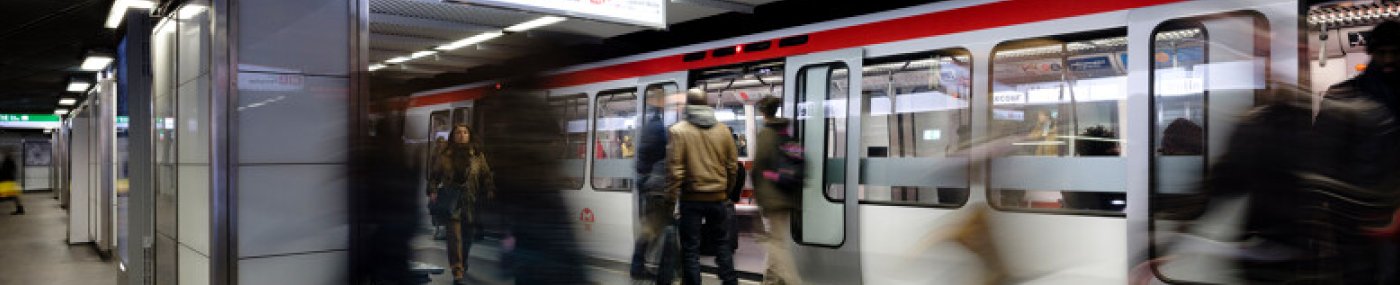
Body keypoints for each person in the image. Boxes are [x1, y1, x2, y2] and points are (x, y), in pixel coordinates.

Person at [667, 88, 740, 285]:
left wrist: (670, 201)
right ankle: (730, 281)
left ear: (688, 105)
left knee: (691, 249)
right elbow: (733, 167)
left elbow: (675, 172)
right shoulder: (723, 131)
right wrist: (727, 192)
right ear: (706, 104)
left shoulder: (678, 131)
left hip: (691, 200)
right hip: (718, 199)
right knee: (722, 244)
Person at [428, 124, 496, 285]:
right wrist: (432, 190)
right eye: (458, 132)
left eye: (465, 132)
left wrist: (490, 188)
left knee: (467, 238)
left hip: (470, 201)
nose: (462, 135)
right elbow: (435, 175)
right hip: (452, 201)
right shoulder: (445, 154)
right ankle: (457, 270)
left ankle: (463, 263)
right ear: (453, 135)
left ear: (470, 135)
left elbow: (486, 174)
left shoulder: (477, 155)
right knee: (454, 238)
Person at [750, 97, 801, 285]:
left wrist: (758, 197)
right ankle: (770, 281)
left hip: (773, 198)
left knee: (776, 244)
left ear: (763, 112)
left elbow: (757, 169)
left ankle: (794, 281)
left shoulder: (766, 134)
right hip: (788, 195)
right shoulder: (787, 133)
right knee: (776, 238)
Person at [630, 89, 678, 284]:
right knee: (658, 229)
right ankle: (660, 274)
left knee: (652, 228)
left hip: (649, 184)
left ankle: (640, 267)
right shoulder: (658, 129)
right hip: (655, 186)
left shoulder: (651, 125)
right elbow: (662, 157)